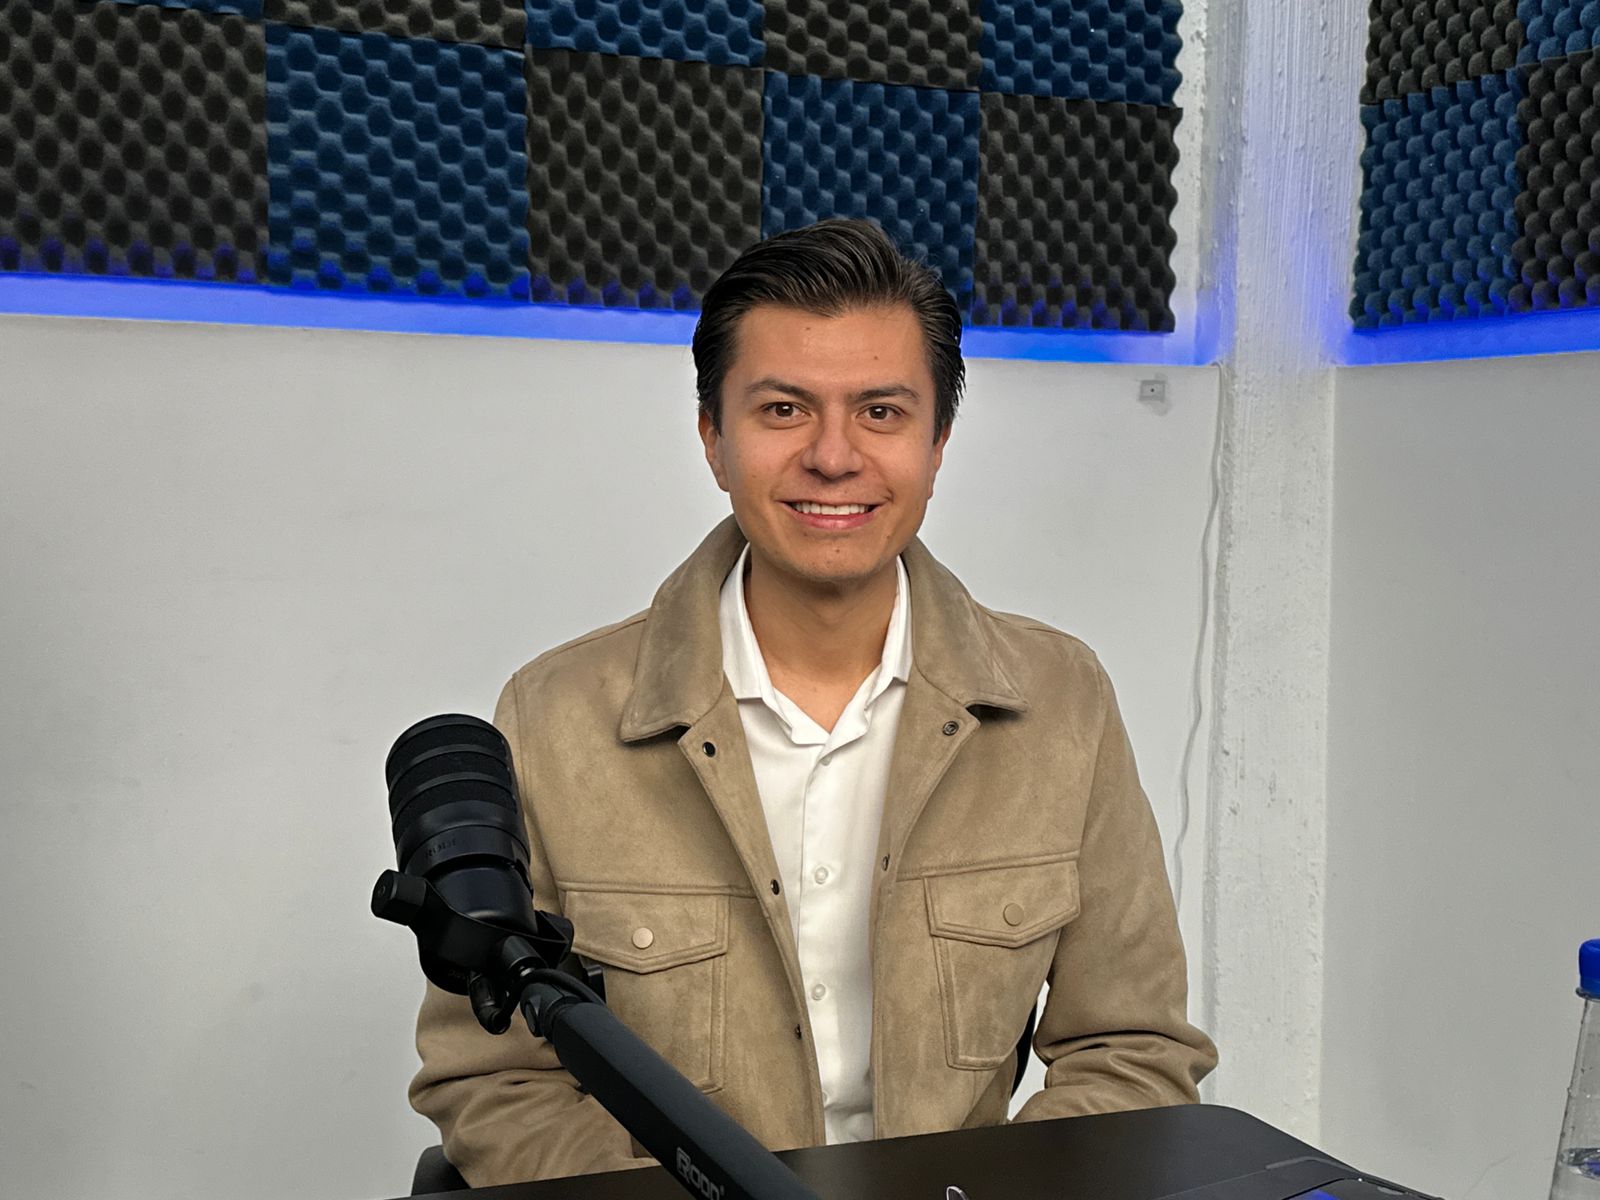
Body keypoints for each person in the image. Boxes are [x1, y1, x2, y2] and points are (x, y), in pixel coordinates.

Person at [410, 218, 1218, 1184]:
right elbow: (494, 1076)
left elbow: (1131, 1050)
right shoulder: (556, 717)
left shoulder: (1061, 702)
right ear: (714, 438)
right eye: (784, 409)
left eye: (880, 412)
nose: (835, 457)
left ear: (937, 443)